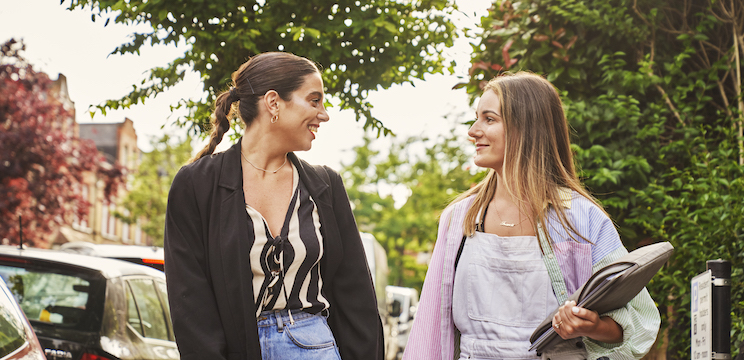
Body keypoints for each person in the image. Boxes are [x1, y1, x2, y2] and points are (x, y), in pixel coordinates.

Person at [402, 72, 660, 360]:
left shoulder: (582, 219)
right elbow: (430, 330)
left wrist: (593, 326)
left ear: (525, 127)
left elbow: (639, 324)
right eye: (477, 118)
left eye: (489, 119)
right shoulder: (458, 219)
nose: (473, 131)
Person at [164, 52, 384, 360]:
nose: (324, 114)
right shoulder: (196, 185)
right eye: (314, 100)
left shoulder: (325, 186)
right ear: (274, 103)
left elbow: (356, 293)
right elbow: (190, 298)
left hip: (317, 347)